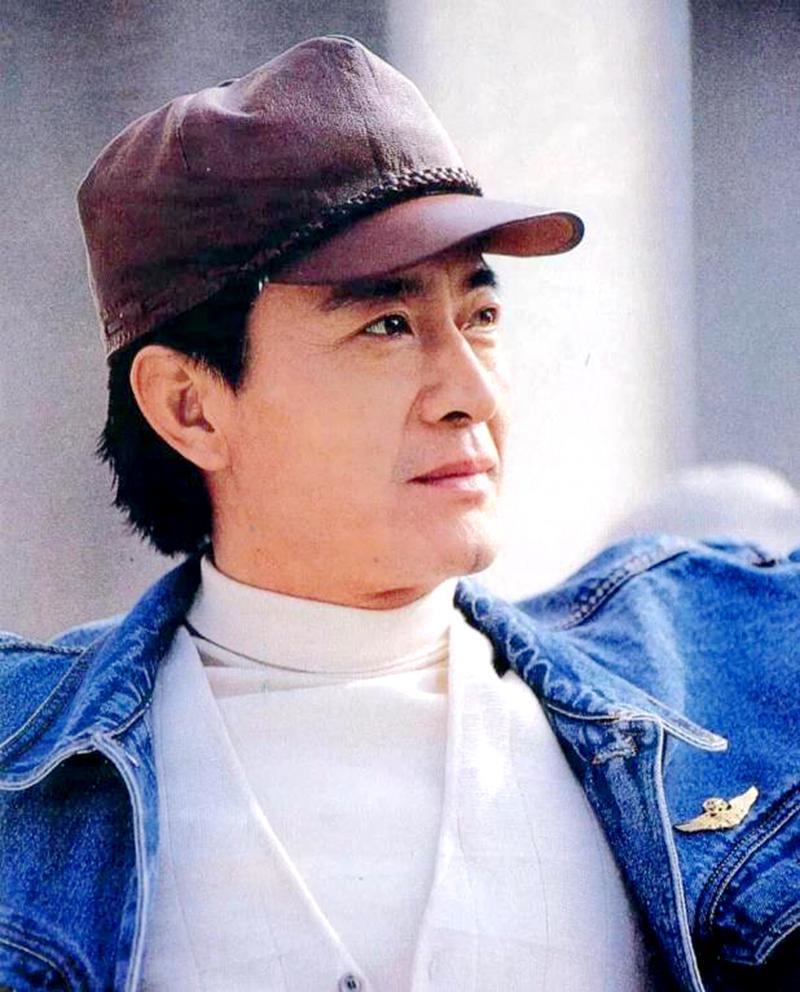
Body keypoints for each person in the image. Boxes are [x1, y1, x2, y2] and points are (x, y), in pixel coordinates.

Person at [0, 35, 797, 992]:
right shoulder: (27, 781)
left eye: (481, 317)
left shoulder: (705, 685)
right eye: (386, 326)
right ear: (191, 406)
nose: (472, 393)